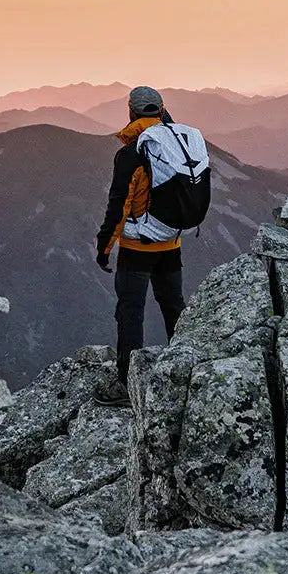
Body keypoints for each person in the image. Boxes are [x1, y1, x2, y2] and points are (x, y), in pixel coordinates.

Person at [93, 86, 187, 406]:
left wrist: (105, 245)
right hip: (170, 243)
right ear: (162, 110)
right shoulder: (178, 144)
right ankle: (185, 373)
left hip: (137, 249)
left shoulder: (130, 154)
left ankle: (126, 385)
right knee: (173, 306)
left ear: (131, 113)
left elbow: (119, 205)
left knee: (131, 313)